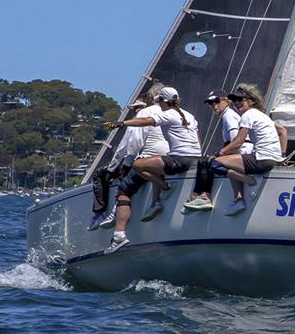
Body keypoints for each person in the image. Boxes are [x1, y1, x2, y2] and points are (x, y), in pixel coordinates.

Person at [104, 86, 201, 253]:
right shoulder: (189, 115)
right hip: (195, 158)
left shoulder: (168, 113)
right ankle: (156, 199)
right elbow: (198, 139)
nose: (159, 105)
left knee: (138, 164)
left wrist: (121, 123)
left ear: (163, 101)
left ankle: (164, 188)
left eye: (159, 102)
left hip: (179, 159)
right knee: (155, 164)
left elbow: (145, 122)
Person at [186, 83, 282, 216]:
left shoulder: (245, 115)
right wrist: (281, 156)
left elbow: (237, 141)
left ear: (252, 100)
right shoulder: (262, 115)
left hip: (260, 159)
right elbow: (282, 131)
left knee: (213, 163)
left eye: (241, 99)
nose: (237, 103)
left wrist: (220, 153)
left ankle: (248, 183)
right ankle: (238, 199)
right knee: (225, 161)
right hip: (270, 158)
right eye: (235, 100)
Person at [87, 99, 147, 230]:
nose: (134, 111)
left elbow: (123, 148)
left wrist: (111, 169)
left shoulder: (135, 124)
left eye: (135, 108)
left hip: (133, 161)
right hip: (153, 160)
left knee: (100, 174)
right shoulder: (160, 120)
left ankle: (101, 213)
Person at [184, 91, 241, 210]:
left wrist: (221, 153)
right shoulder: (228, 115)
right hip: (236, 150)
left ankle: (203, 197)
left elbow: (235, 139)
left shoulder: (228, 116)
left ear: (226, 101)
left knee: (206, 162)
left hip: (238, 151)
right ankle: (197, 196)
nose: (214, 105)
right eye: (211, 103)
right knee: (205, 160)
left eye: (217, 101)